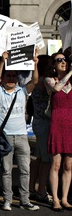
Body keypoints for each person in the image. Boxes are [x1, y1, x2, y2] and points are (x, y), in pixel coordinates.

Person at [0, 51, 40, 211]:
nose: (11, 78)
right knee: (6, 171)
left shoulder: (22, 91)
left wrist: (35, 63)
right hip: (4, 137)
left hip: (22, 137)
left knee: (25, 170)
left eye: (14, 76)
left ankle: (25, 201)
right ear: (4, 78)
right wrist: (3, 61)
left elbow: (35, 80)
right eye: (8, 75)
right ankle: (7, 200)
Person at [44, 52, 72, 212]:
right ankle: (55, 198)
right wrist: (70, 72)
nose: (63, 62)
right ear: (53, 65)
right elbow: (57, 88)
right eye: (58, 60)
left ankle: (65, 198)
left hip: (71, 124)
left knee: (68, 165)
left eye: (65, 60)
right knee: (56, 164)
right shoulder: (50, 80)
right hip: (57, 123)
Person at [28, 55, 53, 205]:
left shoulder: (40, 81)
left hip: (38, 121)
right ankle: (41, 190)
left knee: (38, 158)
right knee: (46, 160)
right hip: (44, 123)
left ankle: (31, 188)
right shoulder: (45, 81)